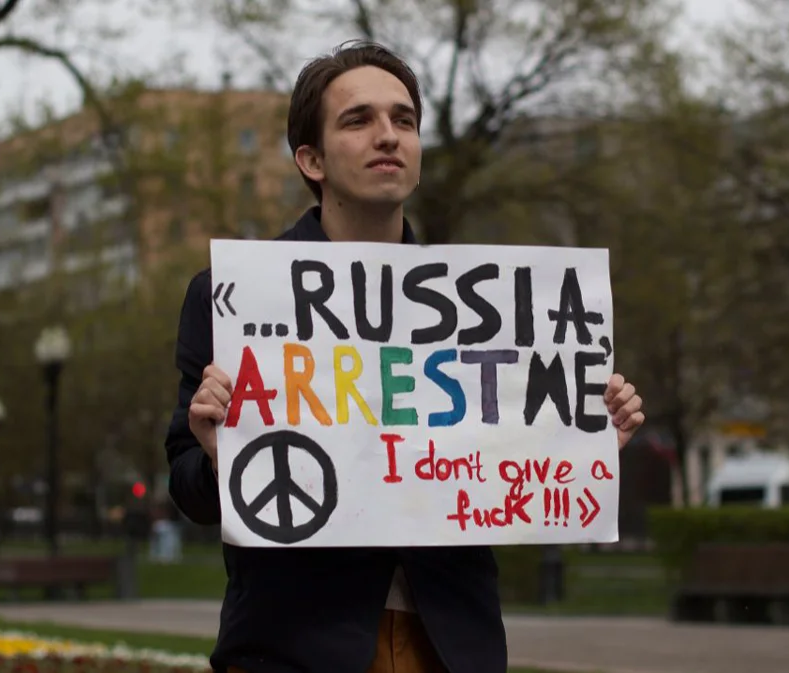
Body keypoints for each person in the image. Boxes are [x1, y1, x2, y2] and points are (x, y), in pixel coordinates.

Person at [164, 40, 646, 673]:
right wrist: (218, 455)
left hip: (450, 647)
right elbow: (189, 492)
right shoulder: (235, 296)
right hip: (295, 645)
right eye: (358, 120)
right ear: (311, 159)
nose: (388, 135)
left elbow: (498, 468)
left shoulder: (487, 304)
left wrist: (579, 446)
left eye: (405, 120)